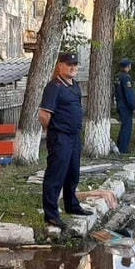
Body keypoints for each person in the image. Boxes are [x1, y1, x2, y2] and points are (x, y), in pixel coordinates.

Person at [39, 51, 93, 228]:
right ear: (60, 66)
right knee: (56, 175)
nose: (73, 67)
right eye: (69, 64)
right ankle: (51, 215)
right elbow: (44, 115)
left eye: (75, 64)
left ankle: (72, 205)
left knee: (72, 173)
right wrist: (53, 131)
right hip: (60, 137)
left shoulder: (74, 85)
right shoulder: (54, 87)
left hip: (74, 136)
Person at [114, 58, 135, 154]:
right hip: (126, 105)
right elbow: (128, 93)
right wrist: (133, 106)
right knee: (127, 127)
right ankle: (123, 148)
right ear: (128, 66)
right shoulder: (126, 77)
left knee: (124, 126)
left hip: (119, 103)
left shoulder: (117, 76)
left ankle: (120, 145)